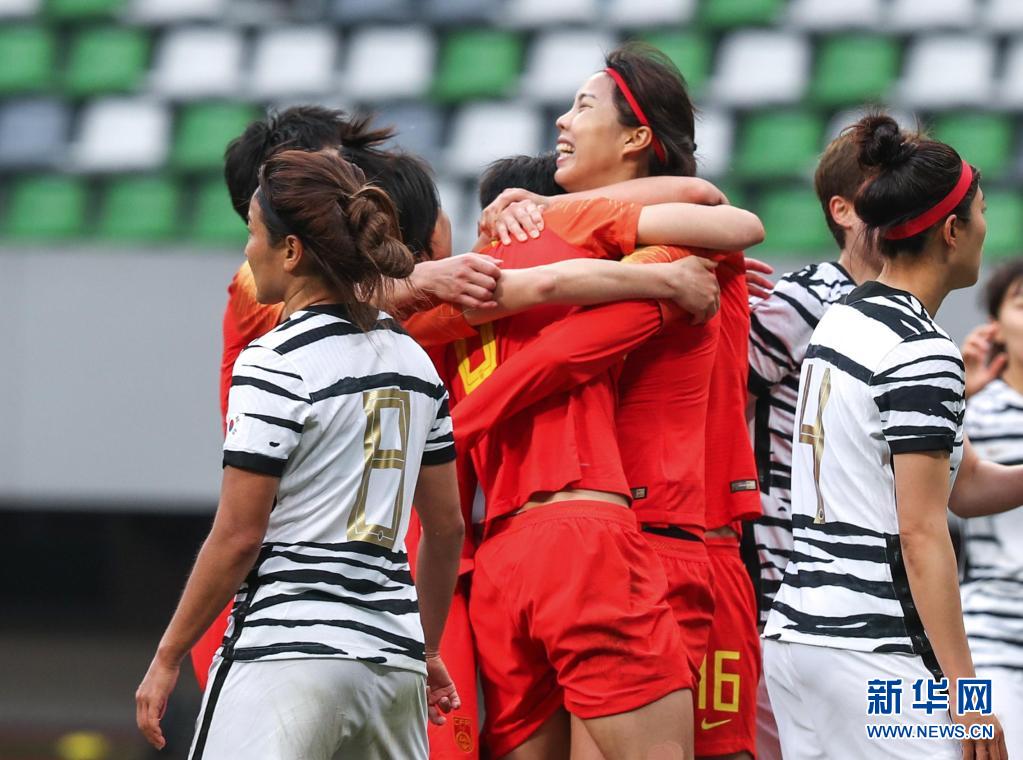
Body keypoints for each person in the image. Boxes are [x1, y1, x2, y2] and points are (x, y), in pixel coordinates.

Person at [135, 149, 465, 759]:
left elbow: (239, 535)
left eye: (252, 233)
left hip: (286, 658)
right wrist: (427, 648)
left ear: (290, 251)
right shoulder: (415, 362)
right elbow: (447, 529)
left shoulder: (273, 361)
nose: (247, 251)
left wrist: (168, 654)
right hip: (394, 666)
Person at [762, 114, 1007, 759]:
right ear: (952, 231)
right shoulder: (924, 351)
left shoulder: (844, 317)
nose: (987, 228)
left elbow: (963, 486)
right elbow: (922, 532)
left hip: (796, 641)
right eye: (982, 213)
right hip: (878, 654)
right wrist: (968, 695)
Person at [745, 128, 884, 758]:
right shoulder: (808, 296)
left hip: (863, 593)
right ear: (842, 210)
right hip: (784, 584)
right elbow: (724, 395)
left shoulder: (901, 313)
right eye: (885, 185)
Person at [959, 259, 1023, 758]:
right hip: (990, 636)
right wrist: (955, 394)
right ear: (995, 326)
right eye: (1022, 303)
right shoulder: (973, 412)